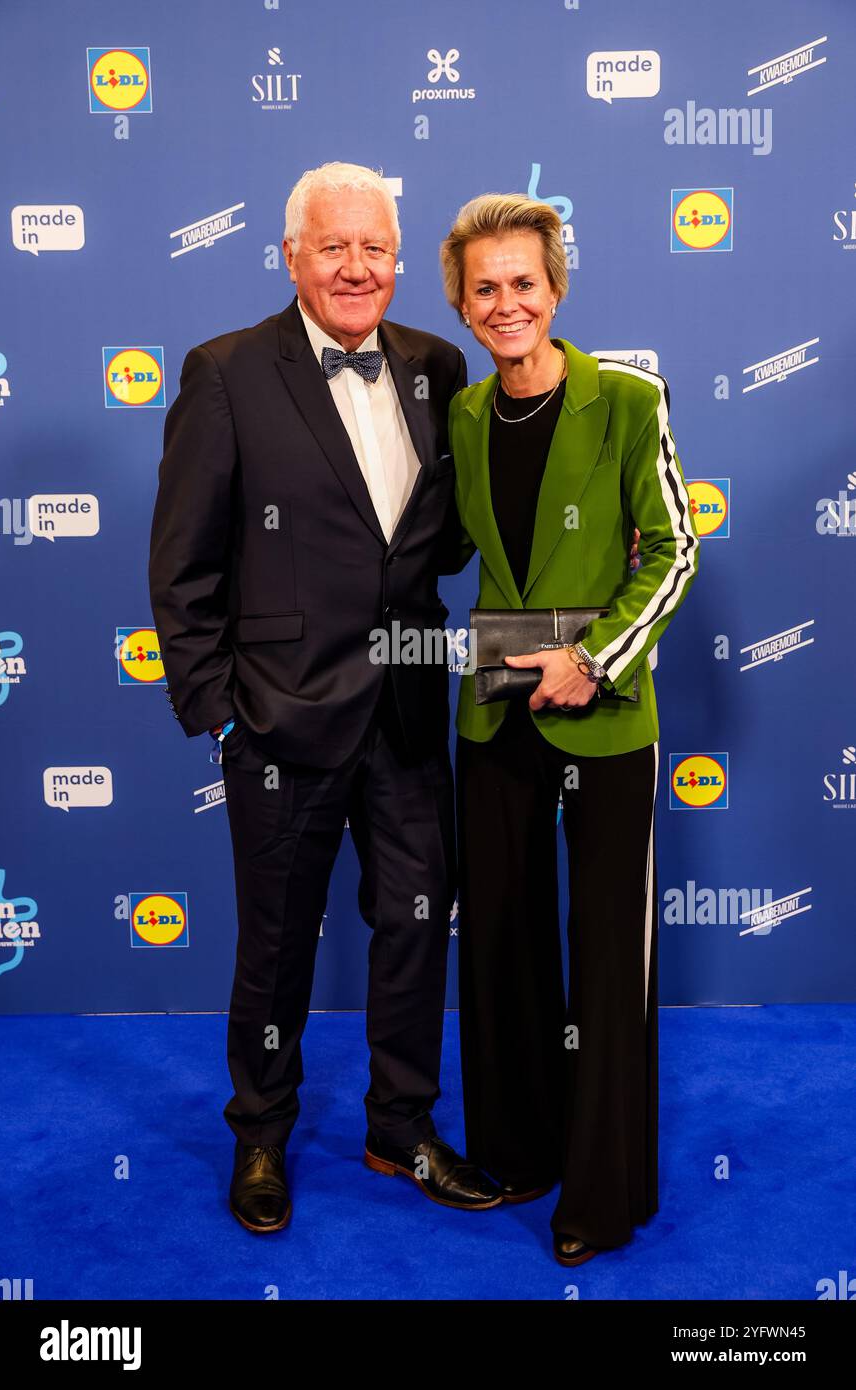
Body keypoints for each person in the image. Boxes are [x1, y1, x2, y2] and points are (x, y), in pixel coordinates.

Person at [148, 162, 504, 1233]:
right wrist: (216, 705)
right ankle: (260, 1130)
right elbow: (183, 563)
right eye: (333, 246)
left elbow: (449, 534)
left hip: (401, 710)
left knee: (412, 921)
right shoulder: (225, 373)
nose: (356, 267)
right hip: (277, 719)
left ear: (399, 262)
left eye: (375, 249)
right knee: (275, 939)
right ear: (292, 255)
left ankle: (400, 1125)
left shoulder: (439, 366)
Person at [440, 193, 700, 1265]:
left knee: (602, 962)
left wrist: (589, 657)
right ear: (461, 303)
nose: (506, 304)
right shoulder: (460, 416)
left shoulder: (627, 398)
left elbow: (674, 549)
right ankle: (520, 1151)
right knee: (498, 942)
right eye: (484, 287)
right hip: (496, 706)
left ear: (555, 288)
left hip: (602, 709)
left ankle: (598, 1191)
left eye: (523, 283)